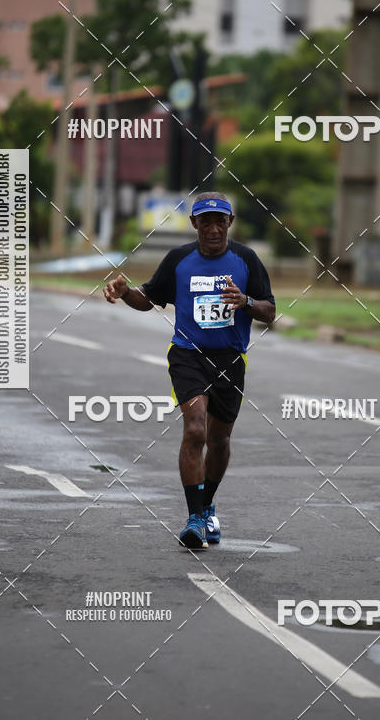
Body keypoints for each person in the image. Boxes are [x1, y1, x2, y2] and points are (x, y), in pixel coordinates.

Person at [103, 192, 276, 549]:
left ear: (230, 223)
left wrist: (244, 302)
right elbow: (148, 298)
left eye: (220, 221)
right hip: (188, 355)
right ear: (194, 223)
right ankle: (195, 518)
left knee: (219, 440)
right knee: (195, 428)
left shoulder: (246, 260)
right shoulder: (179, 260)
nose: (213, 228)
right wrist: (124, 293)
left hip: (230, 358)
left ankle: (208, 502)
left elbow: (270, 312)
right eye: (205, 221)